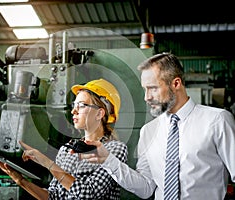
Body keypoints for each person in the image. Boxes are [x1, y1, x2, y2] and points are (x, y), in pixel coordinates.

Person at [82, 53, 235, 199]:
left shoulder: (217, 121)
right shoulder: (148, 131)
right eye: (144, 89)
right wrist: (108, 160)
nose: (146, 97)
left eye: (153, 88)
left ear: (176, 83)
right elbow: (146, 188)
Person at [0, 78, 128, 199]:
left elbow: (89, 194)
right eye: (74, 105)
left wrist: (48, 163)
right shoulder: (67, 149)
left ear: (99, 113)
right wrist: (21, 181)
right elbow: (53, 196)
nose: (74, 111)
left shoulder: (115, 149)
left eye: (81, 105)